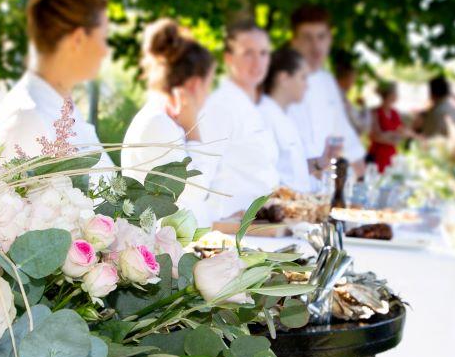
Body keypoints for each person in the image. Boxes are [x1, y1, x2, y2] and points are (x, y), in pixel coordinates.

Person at [0, 0, 114, 169]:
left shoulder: (62, 106)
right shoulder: (27, 119)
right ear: (78, 39)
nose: (105, 50)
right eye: (104, 37)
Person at [122, 18, 215, 220]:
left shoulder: (166, 121)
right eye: (209, 85)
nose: (208, 94)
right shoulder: (158, 124)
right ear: (195, 84)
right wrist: (194, 130)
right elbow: (198, 192)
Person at [196, 16, 280, 219]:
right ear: (228, 58)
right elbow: (199, 176)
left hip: (260, 225)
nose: (257, 62)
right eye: (248, 53)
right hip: (229, 227)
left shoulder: (254, 107)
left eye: (263, 53)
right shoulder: (219, 106)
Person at [286, 6, 366, 173]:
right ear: (294, 41)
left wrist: (362, 177)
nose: (316, 46)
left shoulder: (327, 81)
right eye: (307, 38)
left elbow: (344, 135)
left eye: (321, 37)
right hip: (285, 188)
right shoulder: (278, 81)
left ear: (330, 39)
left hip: (325, 190)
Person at [257, 45, 315, 192]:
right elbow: (264, 177)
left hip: (299, 208)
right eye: (303, 77)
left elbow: (294, 174)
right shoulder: (263, 116)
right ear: (284, 79)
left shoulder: (286, 117)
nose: (307, 85)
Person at [368, 81, 409, 172]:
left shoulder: (394, 113)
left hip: (391, 155)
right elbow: (375, 136)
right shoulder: (375, 112)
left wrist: (386, 135)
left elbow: (403, 134)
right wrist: (393, 136)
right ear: (391, 94)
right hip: (376, 155)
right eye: (396, 93)